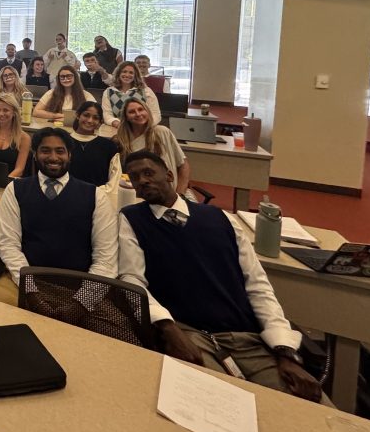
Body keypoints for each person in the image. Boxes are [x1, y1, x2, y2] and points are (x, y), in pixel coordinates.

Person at [118, 150, 322, 403]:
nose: (143, 180)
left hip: (249, 338)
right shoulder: (132, 220)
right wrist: (168, 327)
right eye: (136, 177)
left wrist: (285, 350)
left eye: (149, 173)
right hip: (190, 335)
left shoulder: (220, 218)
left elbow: (257, 285)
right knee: (218, 407)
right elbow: (132, 280)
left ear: (170, 175)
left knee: (304, 406)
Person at [0, 127, 118, 307]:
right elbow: (8, 245)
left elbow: (105, 259)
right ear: (35, 154)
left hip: (79, 286)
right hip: (22, 280)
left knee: (110, 331)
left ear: (70, 155)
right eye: (45, 150)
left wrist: (83, 301)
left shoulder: (96, 196)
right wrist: (30, 289)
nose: (53, 157)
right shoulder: (15, 190)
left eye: (60, 151)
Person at [115, 99, 190, 195]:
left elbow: (183, 164)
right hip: (138, 195)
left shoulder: (162, 132)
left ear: (147, 112)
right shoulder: (121, 141)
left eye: (141, 109)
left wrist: (180, 194)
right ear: (126, 117)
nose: (138, 114)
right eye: (132, 112)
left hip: (170, 194)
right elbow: (123, 175)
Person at [68, 101, 121, 198]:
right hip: (66, 196)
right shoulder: (64, 142)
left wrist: (97, 195)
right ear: (78, 115)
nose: (90, 120)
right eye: (86, 115)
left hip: (98, 198)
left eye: (95, 118)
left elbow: (114, 181)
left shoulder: (109, 147)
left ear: (100, 122)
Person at [103, 60, 161, 127]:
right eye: (124, 72)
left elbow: (155, 114)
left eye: (131, 73)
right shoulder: (108, 92)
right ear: (118, 74)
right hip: (117, 130)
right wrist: (116, 123)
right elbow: (107, 114)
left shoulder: (146, 91)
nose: (127, 75)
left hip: (143, 129)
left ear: (135, 75)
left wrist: (145, 126)